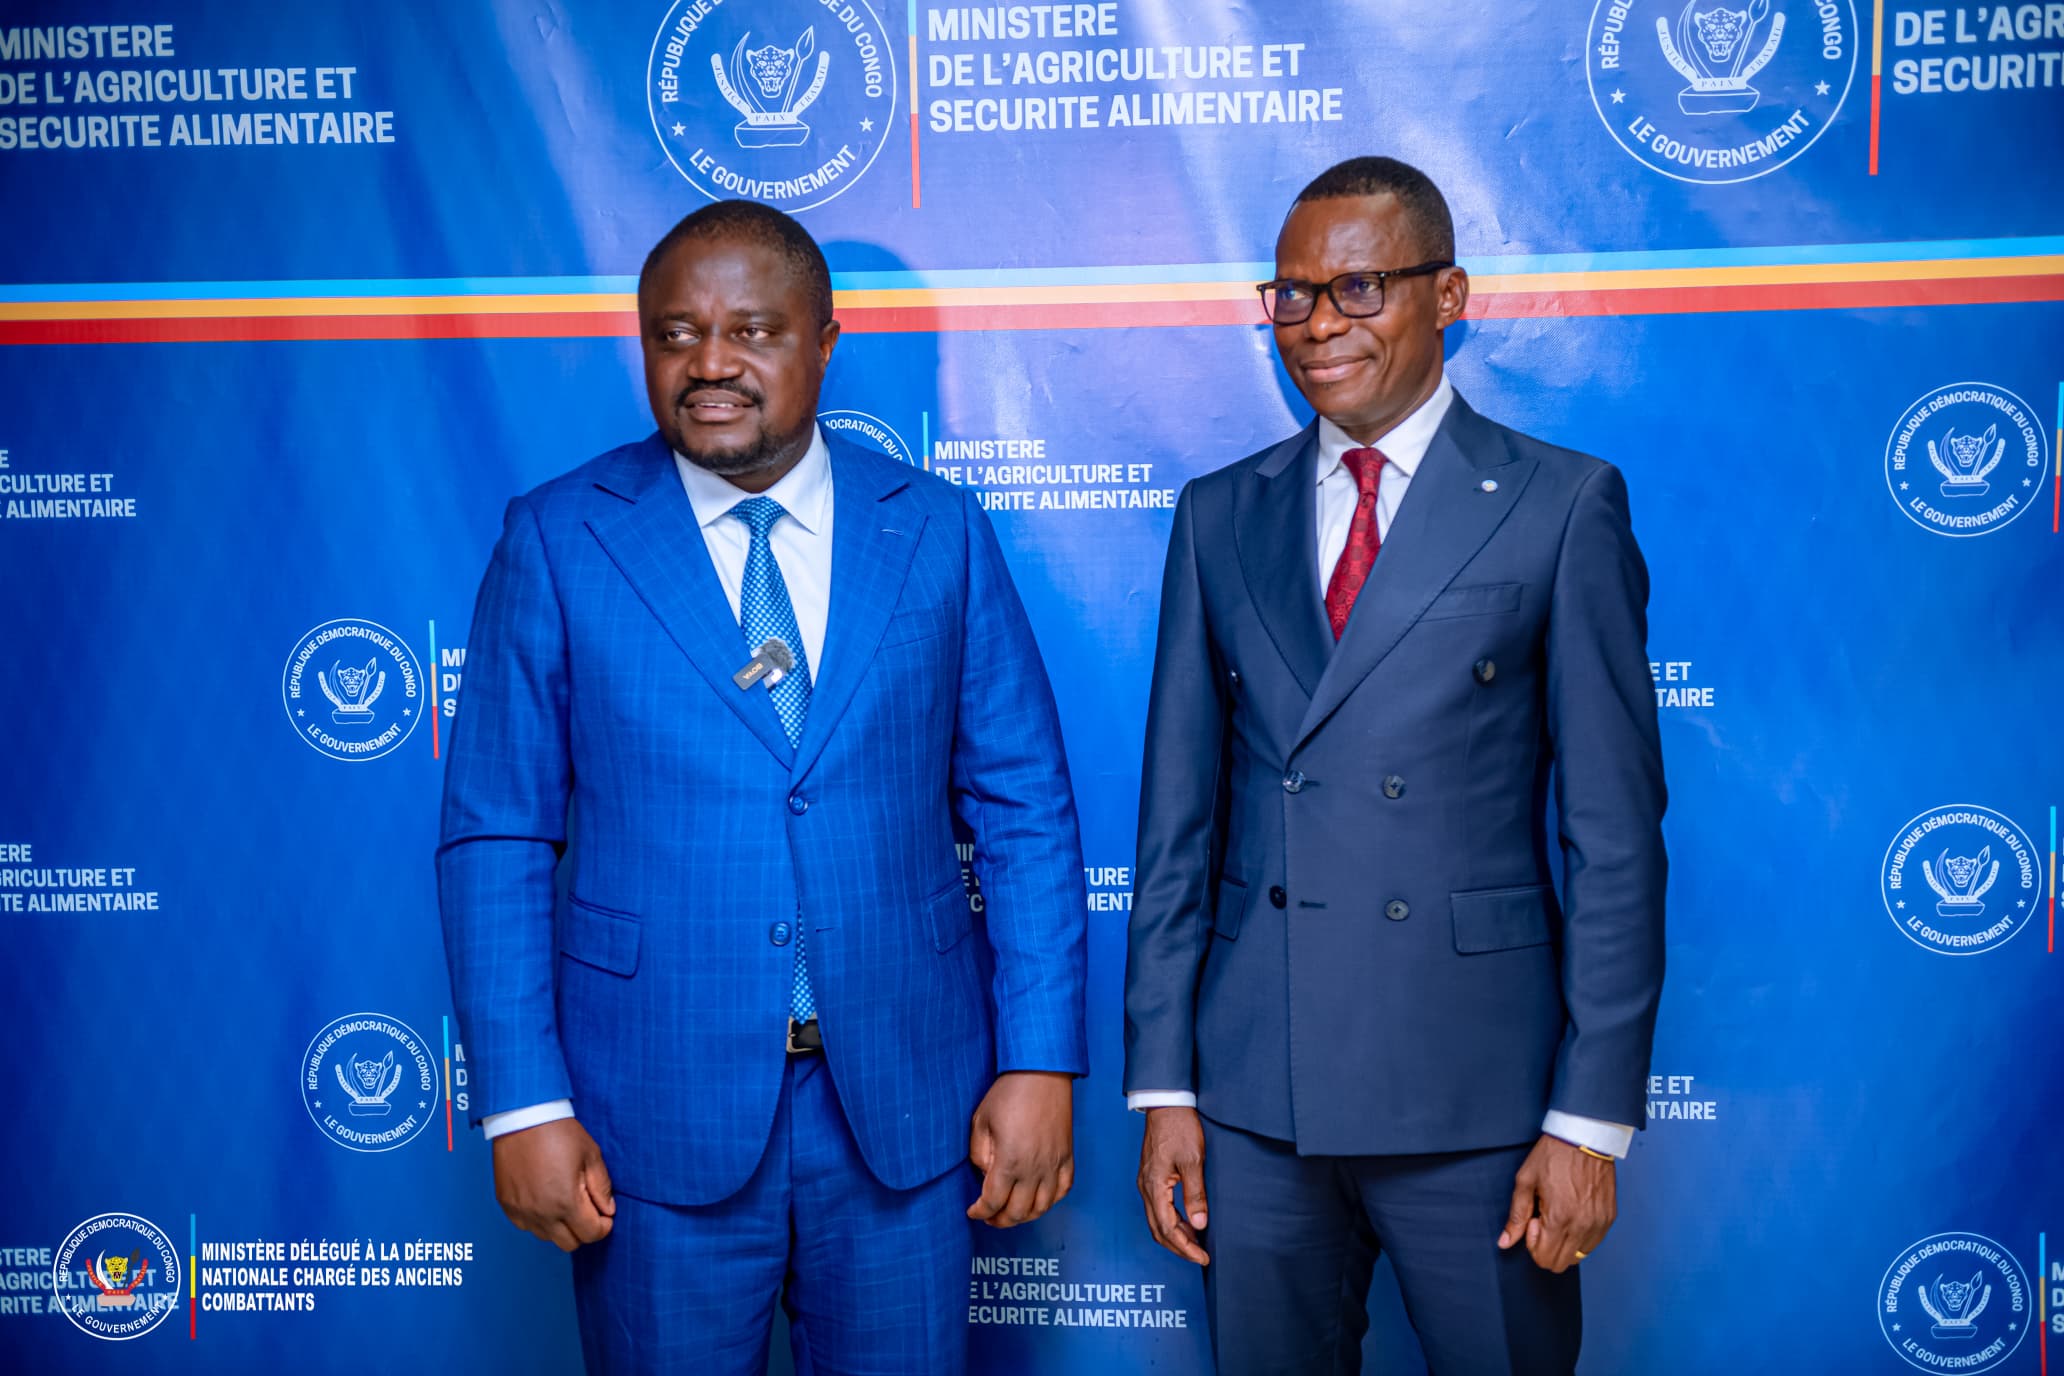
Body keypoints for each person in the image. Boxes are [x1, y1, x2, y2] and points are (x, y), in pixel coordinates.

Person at [438, 199, 1088, 1375]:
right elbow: (497, 833)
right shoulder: (559, 538)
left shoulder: (938, 531)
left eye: (752, 330)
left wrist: (1038, 1058)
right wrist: (524, 1103)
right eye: (676, 334)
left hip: (904, 1108)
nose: (711, 363)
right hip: (650, 1112)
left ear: (824, 342)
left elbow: (1025, 810)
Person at [1123, 156, 1668, 1375]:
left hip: (1479, 1095)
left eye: (1359, 287)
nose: (1319, 323)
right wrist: (1165, 1085)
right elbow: (1177, 824)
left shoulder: (1560, 502)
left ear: (1448, 295)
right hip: (1256, 1091)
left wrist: (1589, 1118)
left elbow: (1614, 839)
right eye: (1292, 294)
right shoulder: (1219, 513)